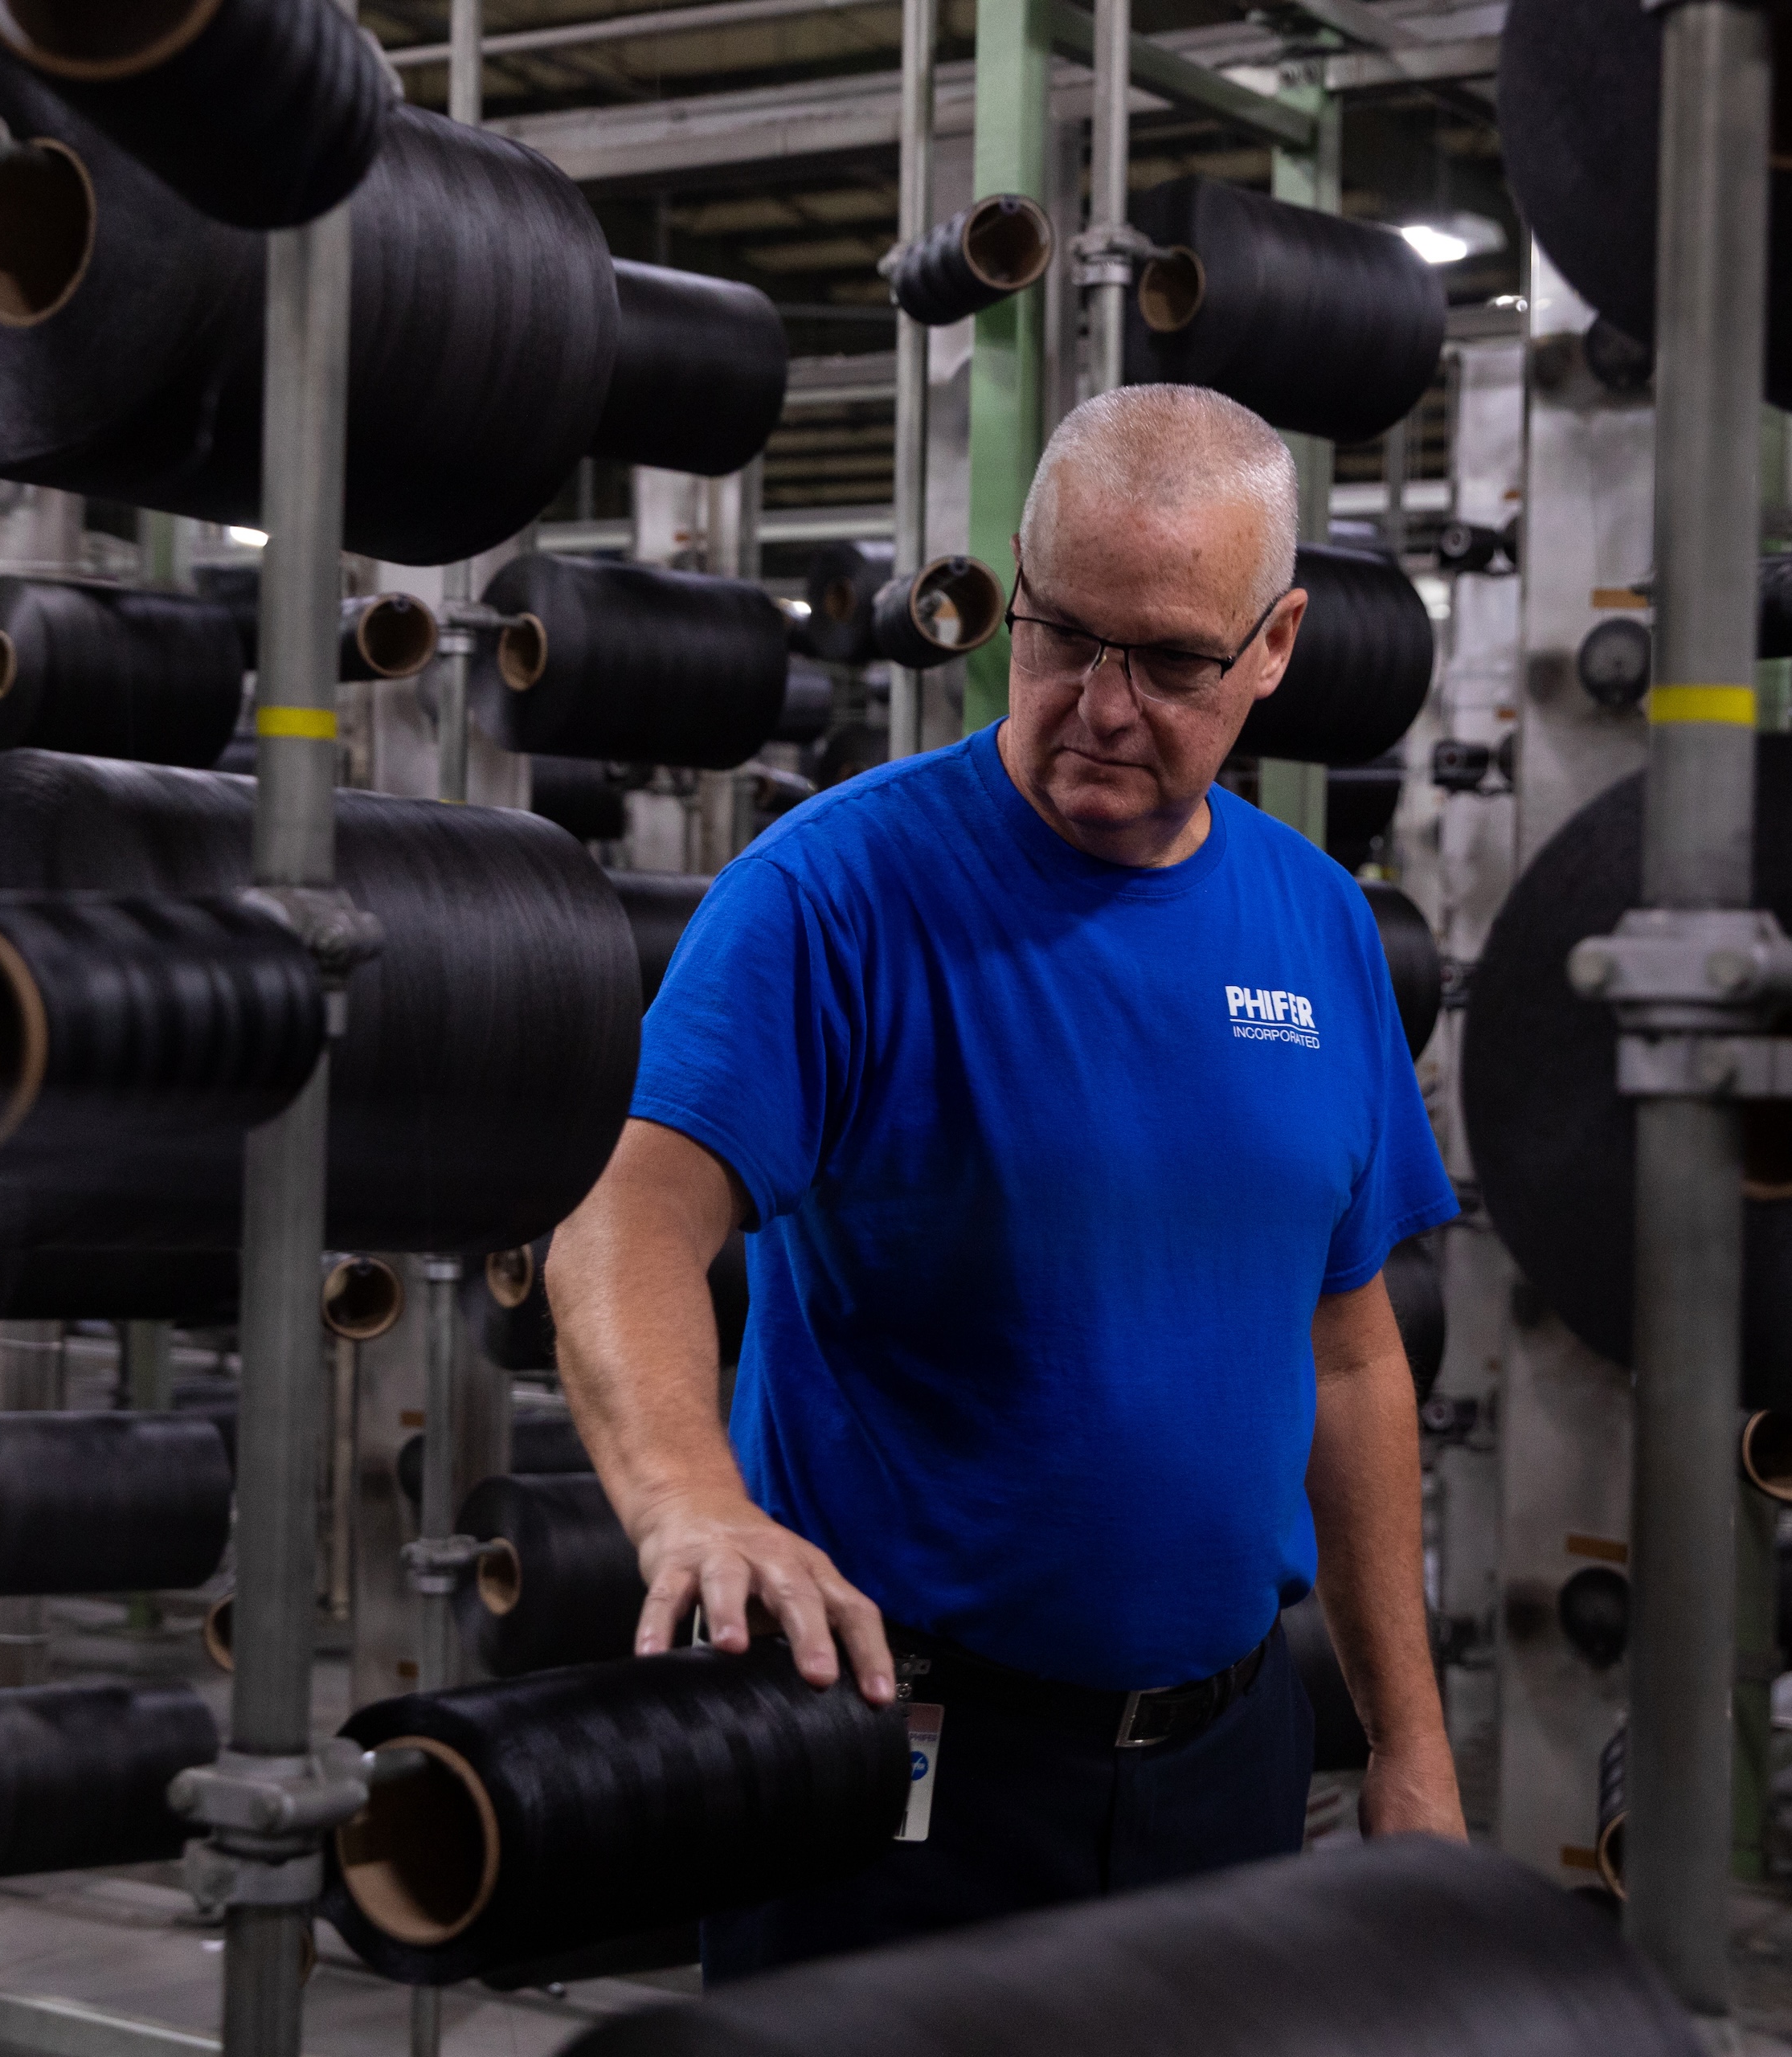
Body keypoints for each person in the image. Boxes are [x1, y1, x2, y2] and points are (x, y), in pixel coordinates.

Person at [546, 382, 1463, 1978]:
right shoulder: (833, 897)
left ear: (1278, 645)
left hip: (1227, 1763)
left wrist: (1409, 1740)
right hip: (897, 1760)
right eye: (1057, 636)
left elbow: (1351, 1352)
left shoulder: (1317, 927)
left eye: (1172, 659)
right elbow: (624, 1219)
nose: (1101, 705)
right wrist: (687, 1495)